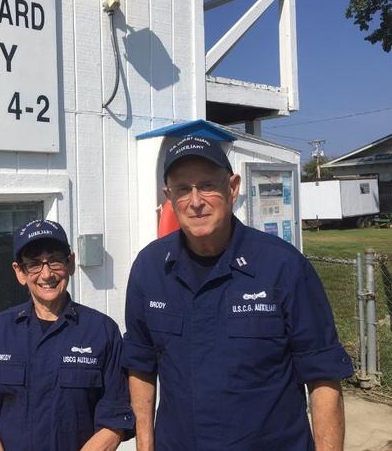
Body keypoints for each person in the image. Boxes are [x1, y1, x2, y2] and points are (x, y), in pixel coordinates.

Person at [122, 135, 354, 451]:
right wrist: (145, 446)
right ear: (168, 197)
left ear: (232, 188)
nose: (195, 201)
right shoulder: (151, 269)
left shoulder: (283, 267)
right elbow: (141, 365)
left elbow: (323, 377)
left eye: (207, 185)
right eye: (183, 189)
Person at [0, 219, 134, 450]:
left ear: (70, 263)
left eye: (55, 261)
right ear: (19, 272)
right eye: (34, 264)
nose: (47, 274)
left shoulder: (102, 331)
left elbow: (114, 420)